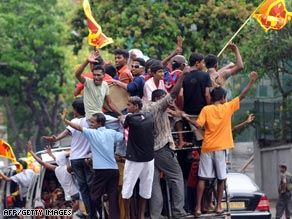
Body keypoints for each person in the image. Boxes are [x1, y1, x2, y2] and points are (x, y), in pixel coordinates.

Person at [183, 71, 258, 217]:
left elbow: (198, 126)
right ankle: (218, 207)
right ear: (223, 98)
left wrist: (186, 117)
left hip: (207, 147)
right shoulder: (227, 107)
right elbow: (242, 96)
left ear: (211, 98)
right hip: (221, 148)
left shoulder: (206, 109)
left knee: (203, 178)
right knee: (221, 178)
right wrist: (251, 81)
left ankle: (198, 208)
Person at [142, 65, 190, 219]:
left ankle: (156, 215)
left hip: (149, 151)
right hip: (162, 148)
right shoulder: (158, 106)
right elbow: (174, 93)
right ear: (159, 99)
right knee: (176, 177)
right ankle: (178, 211)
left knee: (154, 183)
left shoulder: (145, 108)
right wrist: (182, 75)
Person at [61, 111, 123, 219]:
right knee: (113, 197)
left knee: (94, 197)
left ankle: (103, 214)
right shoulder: (112, 133)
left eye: (93, 122)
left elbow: (78, 127)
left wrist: (65, 121)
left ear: (99, 123)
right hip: (113, 170)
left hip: (101, 171)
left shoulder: (92, 133)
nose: (90, 124)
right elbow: (122, 137)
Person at [43, 97, 97, 219]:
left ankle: (91, 215)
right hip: (88, 159)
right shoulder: (91, 121)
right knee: (91, 188)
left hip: (75, 160)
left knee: (83, 189)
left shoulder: (74, 121)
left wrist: (55, 138)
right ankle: (95, 212)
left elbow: (64, 133)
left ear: (75, 111)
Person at [120, 96, 154, 219]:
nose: (127, 107)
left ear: (136, 106)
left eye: (129, 105)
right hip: (149, 158)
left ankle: (128, 216)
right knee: (146, 188)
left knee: (127, 189)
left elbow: (124, 125)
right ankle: (140, 216)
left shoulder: (129, 118)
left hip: (134, 159)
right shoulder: (150, 116)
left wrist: (121, 117)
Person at [27, 141, 82, 215]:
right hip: (76, 192)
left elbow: (42, 163)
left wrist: (31, 152)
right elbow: (78, 162)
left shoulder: (56, 169)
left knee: (75, 209)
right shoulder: (68, 168)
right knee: (78, 209)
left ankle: (71, 213)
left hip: (69, 194)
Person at [75, 53, 122, 120]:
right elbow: (77, 74)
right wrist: (87, 61)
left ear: (103, 75)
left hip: (101, 115)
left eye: (98, 75)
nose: (96, 77)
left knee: (120, 123)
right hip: (92, 118)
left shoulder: (105, 84)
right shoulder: (88, 82)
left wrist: (121, 115)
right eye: (94, 75)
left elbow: (110, 103)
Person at [182, 52, 212, 146]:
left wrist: (183, 108)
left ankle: (190, 156)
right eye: (202, 62)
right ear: (197, 63)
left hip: (188, 114)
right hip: (201, 113)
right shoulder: (205, 75)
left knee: (190, 139)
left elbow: (180, 95)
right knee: (204, 139)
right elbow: (207, 94)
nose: (203, 65)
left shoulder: (184, 76)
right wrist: (209, 108)